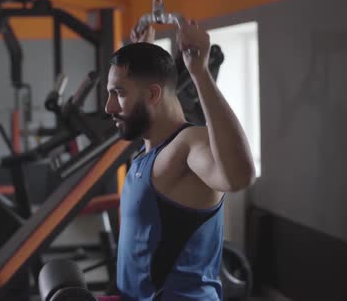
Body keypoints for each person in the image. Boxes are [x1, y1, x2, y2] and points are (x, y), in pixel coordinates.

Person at [105, 21, 255, 300]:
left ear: (152, 94)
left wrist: (200, 74)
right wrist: (142, 49)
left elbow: (239, 177)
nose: (108, 107)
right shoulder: (149, 151)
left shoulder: (188, 146)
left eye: (119, 93)